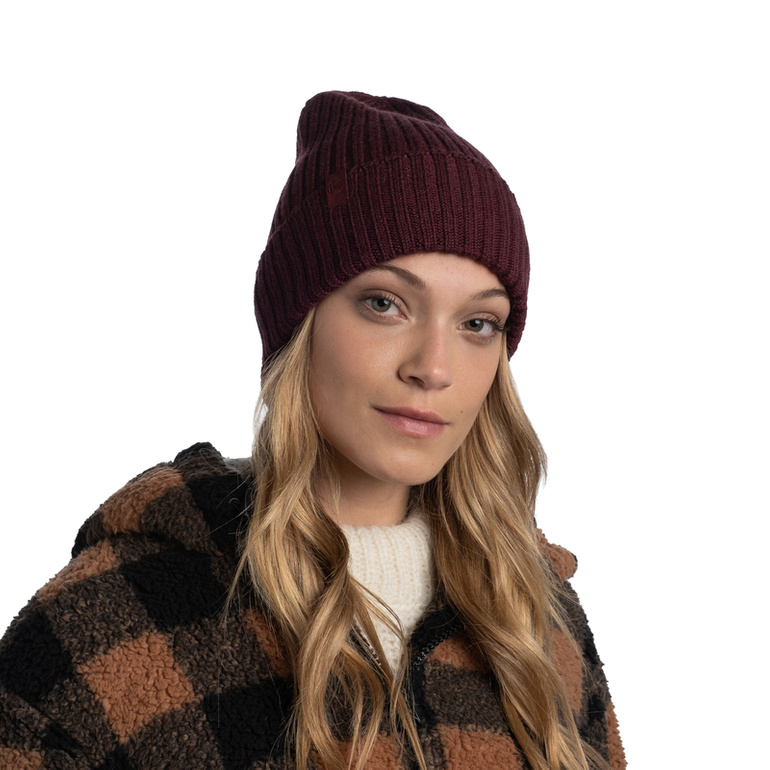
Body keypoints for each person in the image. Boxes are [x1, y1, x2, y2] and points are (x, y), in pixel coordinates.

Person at [0, 91, 625, 770]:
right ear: (299, 324)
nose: (434, 368)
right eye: (384, 304)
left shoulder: (537, 622)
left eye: (478, 323)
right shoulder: (108, 621)